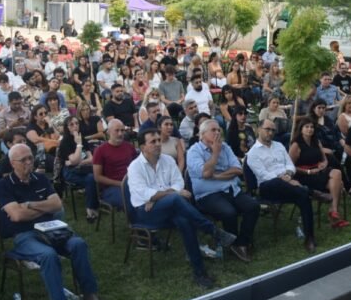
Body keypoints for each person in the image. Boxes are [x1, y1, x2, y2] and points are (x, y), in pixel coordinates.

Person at [0, 144, 109, 300]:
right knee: (48, 256)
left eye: (30, 158)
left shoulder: (40, 178)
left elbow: (57, 205)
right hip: (25, 235)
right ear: (12, 163)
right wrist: (43, 208)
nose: (28, 163)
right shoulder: (4, 185)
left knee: (78, 244)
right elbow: (16, 217)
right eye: (23, 160)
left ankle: (90, 295)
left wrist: (30, 205)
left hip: (52, 229)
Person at [128, 128, 236, 288]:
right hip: (146, 212)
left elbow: (178, 183)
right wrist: (169, 193)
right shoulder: (135, 167)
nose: (158, 144)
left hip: (168, 208)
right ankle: (213, 231)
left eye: (159, 140)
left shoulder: (168, 160)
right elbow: (145, 193)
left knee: (185, 221)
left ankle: (200, 273)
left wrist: (160, 195)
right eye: (153, 141)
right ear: (143, 147)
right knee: (176, 199)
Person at [187, 119, 260, 263]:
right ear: (202, 135)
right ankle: (233, 244)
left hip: (230, 188)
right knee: (229, 212)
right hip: (207, 195)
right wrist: (215, 154)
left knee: (253, 206)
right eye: (213, 130)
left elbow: (238, 169)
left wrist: (217, 175)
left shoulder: (225, 147)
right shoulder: (194, 151)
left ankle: (241, 243)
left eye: (219, 130)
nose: (217, 133)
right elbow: (205, 173)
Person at [247, 119, 317, 253]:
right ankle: (310, 191)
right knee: (291, 188)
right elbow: (263, 175)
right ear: (258, 130)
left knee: (303, 197)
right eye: (267, 129)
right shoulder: (253, 153)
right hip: (268, 187)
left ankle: (309, 237)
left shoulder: (279, 146)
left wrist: (289, 175)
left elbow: (290, 164)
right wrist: (286, 180)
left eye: (273, 130)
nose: (270, 132)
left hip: (287, 184)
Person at [290, 117, 349, 228]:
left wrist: (324, 164)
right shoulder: (296, 145)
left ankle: (333, 210)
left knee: (337, 173)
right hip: (304, 176)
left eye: (311, 127)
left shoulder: (316, 141)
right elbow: (290, 167)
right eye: (306, 127)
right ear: (301, 129)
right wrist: (308, 171)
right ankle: (334, 218)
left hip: (318, 172)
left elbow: (324, 158)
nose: (310, 129)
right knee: (339, 184)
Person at [58, 116, 99, 221]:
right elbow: (74, 161)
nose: (75, 126)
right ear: (67, 127)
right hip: (70, 172)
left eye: (77, 123)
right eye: (72, 124)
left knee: (97, 173)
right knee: (90, 178)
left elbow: (91, 158)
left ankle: (99, 202)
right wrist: (79, 145)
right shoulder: (65, 142)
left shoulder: (82, 137)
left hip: (83, 168)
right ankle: (90, 210)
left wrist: (76, 162)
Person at [93, 119, 137, 208]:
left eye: (122, 130)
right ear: (109, 132)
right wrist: (120, 184)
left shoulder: (129, 147)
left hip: (132, 183)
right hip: (110, 188)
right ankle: (135, 221)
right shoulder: (100, 150)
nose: (120, 133)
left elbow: (137, 166)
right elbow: (97, 177)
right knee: (132, 200)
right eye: (117, 130)